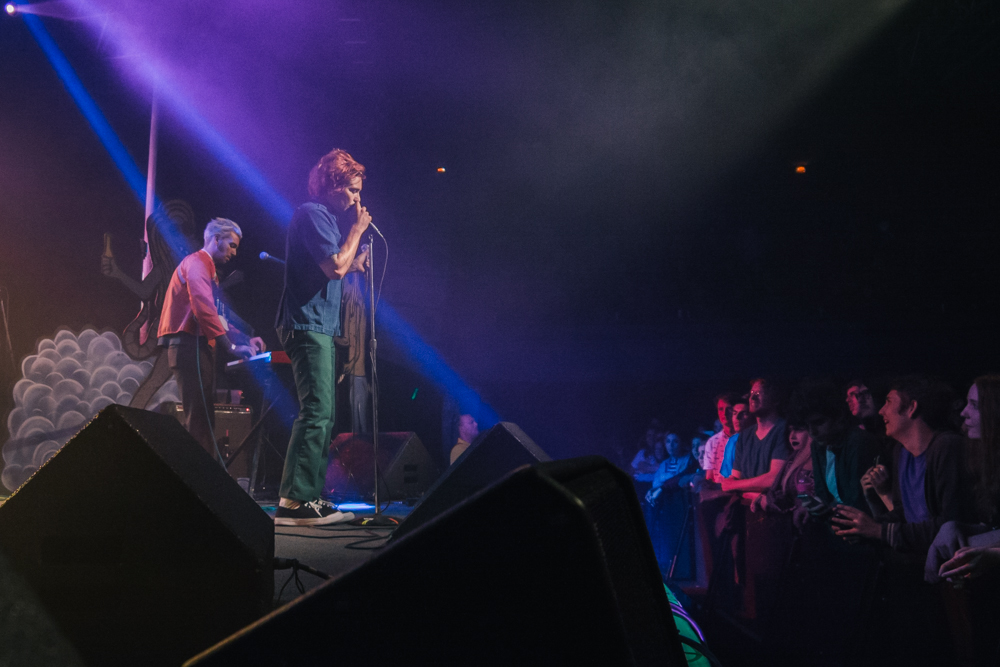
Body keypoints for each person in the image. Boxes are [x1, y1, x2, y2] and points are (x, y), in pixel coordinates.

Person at [273, 148, 371, 526]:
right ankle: (294, 502)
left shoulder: (325, 218)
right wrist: (357, 232)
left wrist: (354, 261)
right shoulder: (312, 214)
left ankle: (308, 498)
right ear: (331, 185)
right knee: (316, 412)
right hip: (306, 323)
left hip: (319, 325)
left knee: (323, 414)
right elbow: (334, 268)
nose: (356, 198)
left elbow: (338, 266)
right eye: (351, 189)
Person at [157, 218, 264, 458]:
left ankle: (201, 478)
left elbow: (216, 316)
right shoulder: (197, 263)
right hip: (188, 345)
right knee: (199, 420)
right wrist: (231, 346)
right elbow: (203, 309)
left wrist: (244, 340)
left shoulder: (207, 270)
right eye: (232, 245)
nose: (234, 252)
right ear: (216, 240)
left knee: (203, 418)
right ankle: (198, 483)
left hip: (196, 346)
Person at [832, 376, 970, 554]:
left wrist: (878, 530)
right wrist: (862, 528)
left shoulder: (947, 447)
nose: (881, 411)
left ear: (912, 408)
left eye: (888, 402)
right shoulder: (901, 452)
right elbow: (902, 512)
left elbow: (950, 525)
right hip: (916, 557)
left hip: (945, 562)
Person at [720, 378, 789, 500]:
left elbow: (774, 479)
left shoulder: (783, 430)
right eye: (751, 394)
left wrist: (737, 486)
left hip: (774, 513)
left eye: (759, 394)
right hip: (748, 510)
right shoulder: (744, 436)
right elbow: (734, 478)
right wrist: (755, 495)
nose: (752, 398)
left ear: (775, 400)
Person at [701, 393, 740, 484]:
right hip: (719, 491)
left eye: (729, 409)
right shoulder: (712, 442)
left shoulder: (744, 438)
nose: (724, 413)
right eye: (721, 409)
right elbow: (709, 476)